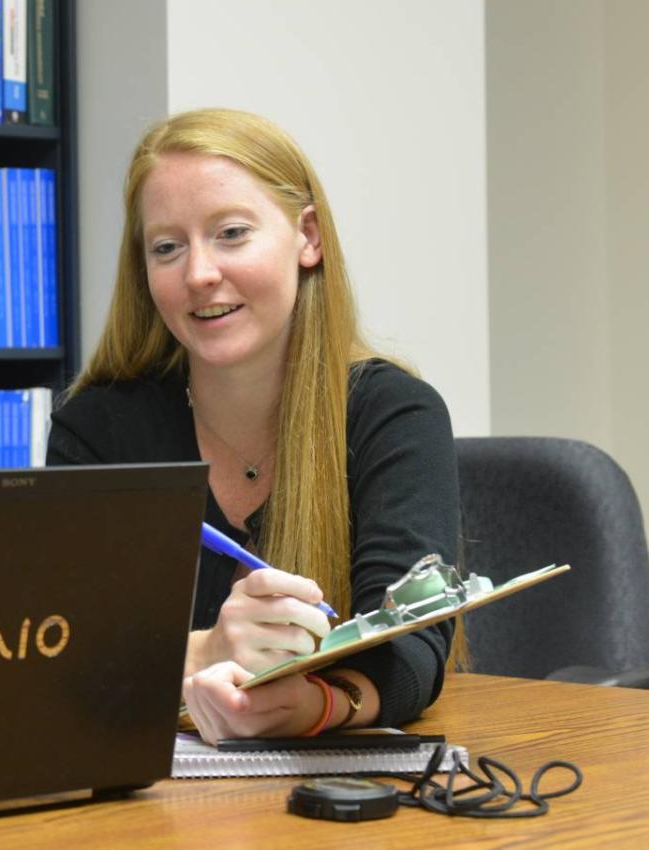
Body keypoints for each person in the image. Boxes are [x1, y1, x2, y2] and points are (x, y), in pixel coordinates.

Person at [47, 108, 461, 744]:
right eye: (166, 247)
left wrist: (321, 704)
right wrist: (205, 651)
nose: (198, 274)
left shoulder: (395, 414)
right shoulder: (98, 431)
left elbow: (414, 641)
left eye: (232, 233)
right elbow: (60, 653)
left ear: (308, 237)